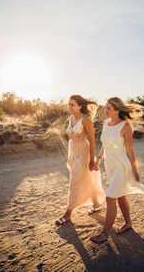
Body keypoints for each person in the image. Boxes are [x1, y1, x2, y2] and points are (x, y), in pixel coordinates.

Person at [90, 97, 144, 243]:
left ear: (117, 110)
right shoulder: (105, 123)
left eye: (108, 108)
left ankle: (104, 234)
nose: (105, 110)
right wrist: (99, 160)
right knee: (120, 195)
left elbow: (129, 149)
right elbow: (105, 144)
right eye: (106, 107)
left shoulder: (126, 127)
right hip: (110, 165)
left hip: (122, 165)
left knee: (110, 198)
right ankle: (128, 223)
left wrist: (134, 170)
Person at [55, 95, 105, 225]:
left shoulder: (86, 120)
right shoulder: (71, 118)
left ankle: (68, 214)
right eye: (69, 104)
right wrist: (68, 155)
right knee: (86, 179)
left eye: (72, 104)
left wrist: (92, 160)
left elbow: (93, 140)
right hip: (73, 151)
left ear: (80, 106)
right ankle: (96, 203)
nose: (69, 107)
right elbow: (71, 138)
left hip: (84, 153)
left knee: (74, 182)